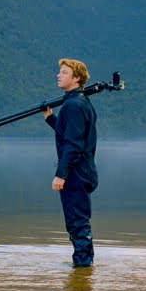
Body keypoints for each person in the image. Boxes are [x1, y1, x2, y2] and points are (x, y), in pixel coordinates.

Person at [43, 58, 98, 268]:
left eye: (64, 72)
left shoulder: (74, 105)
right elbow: (71, 135)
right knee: (78, 222)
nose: (59, 75)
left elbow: (73, 145)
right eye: (60, 72)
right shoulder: (78, 103)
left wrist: (61, 174)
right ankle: (83, 270)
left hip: (76, 173)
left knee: (78, 223)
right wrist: (51, 119)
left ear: (76, 78)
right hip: (82, 171)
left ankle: (83, 269)